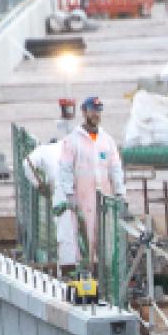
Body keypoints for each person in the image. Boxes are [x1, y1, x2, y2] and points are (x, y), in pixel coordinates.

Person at [53, 95, 126, 275]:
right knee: (85, 239)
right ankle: (87, 274)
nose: (96, 115)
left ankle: (106, 277)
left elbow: (115, 168)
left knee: (106, 239)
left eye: (98, 111)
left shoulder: (106, 141)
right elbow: (65, 169)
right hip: (83, 201)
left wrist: (120, 193)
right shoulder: (73, 141)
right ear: (84, 112)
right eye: (93, 111)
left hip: (105, 202)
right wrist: (70, 195)